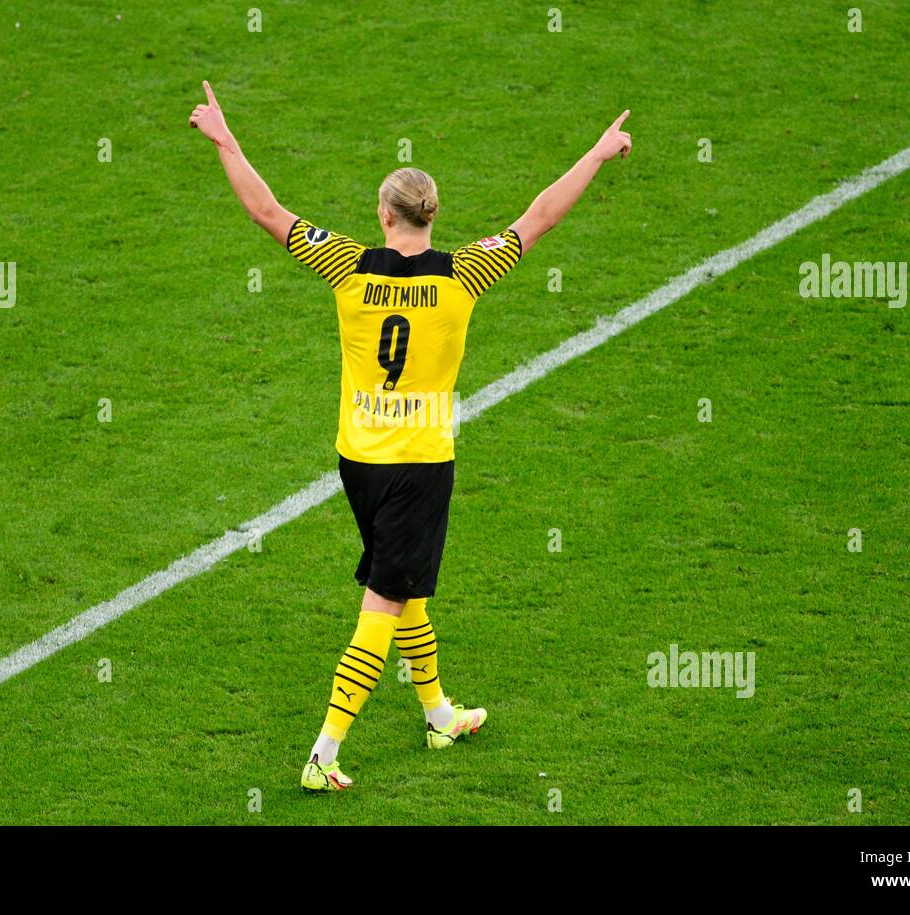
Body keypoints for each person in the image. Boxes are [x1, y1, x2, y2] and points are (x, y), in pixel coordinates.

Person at [190, 81, 632, 791]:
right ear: (432, 215)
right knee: (384, 604)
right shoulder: (467, 272)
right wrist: (599, 151)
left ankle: (438, 713)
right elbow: (539, 216)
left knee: (407, 587)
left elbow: (265, 210)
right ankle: (324, 753)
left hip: (357, 459)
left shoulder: (347, 265)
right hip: (421, 464)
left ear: (382, 214)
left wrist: (224, 138)